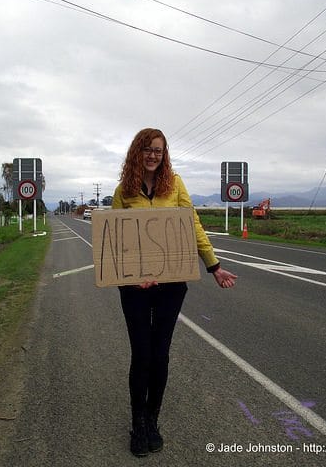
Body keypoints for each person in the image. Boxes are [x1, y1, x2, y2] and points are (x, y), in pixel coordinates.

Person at [111, 127, 237, 457]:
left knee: (160, 353)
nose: (154, 155)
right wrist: (133, 275)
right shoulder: (123, 191)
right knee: (141, 354)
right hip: (135, 287)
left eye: (159, 150)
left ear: (164, 155)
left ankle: (153, 419)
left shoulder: (176, 185)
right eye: (148, 149)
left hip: (171, 286)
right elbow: (115, 241)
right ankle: (137, 423)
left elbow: (192, 225)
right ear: (137, 152)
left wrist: (214, 266)